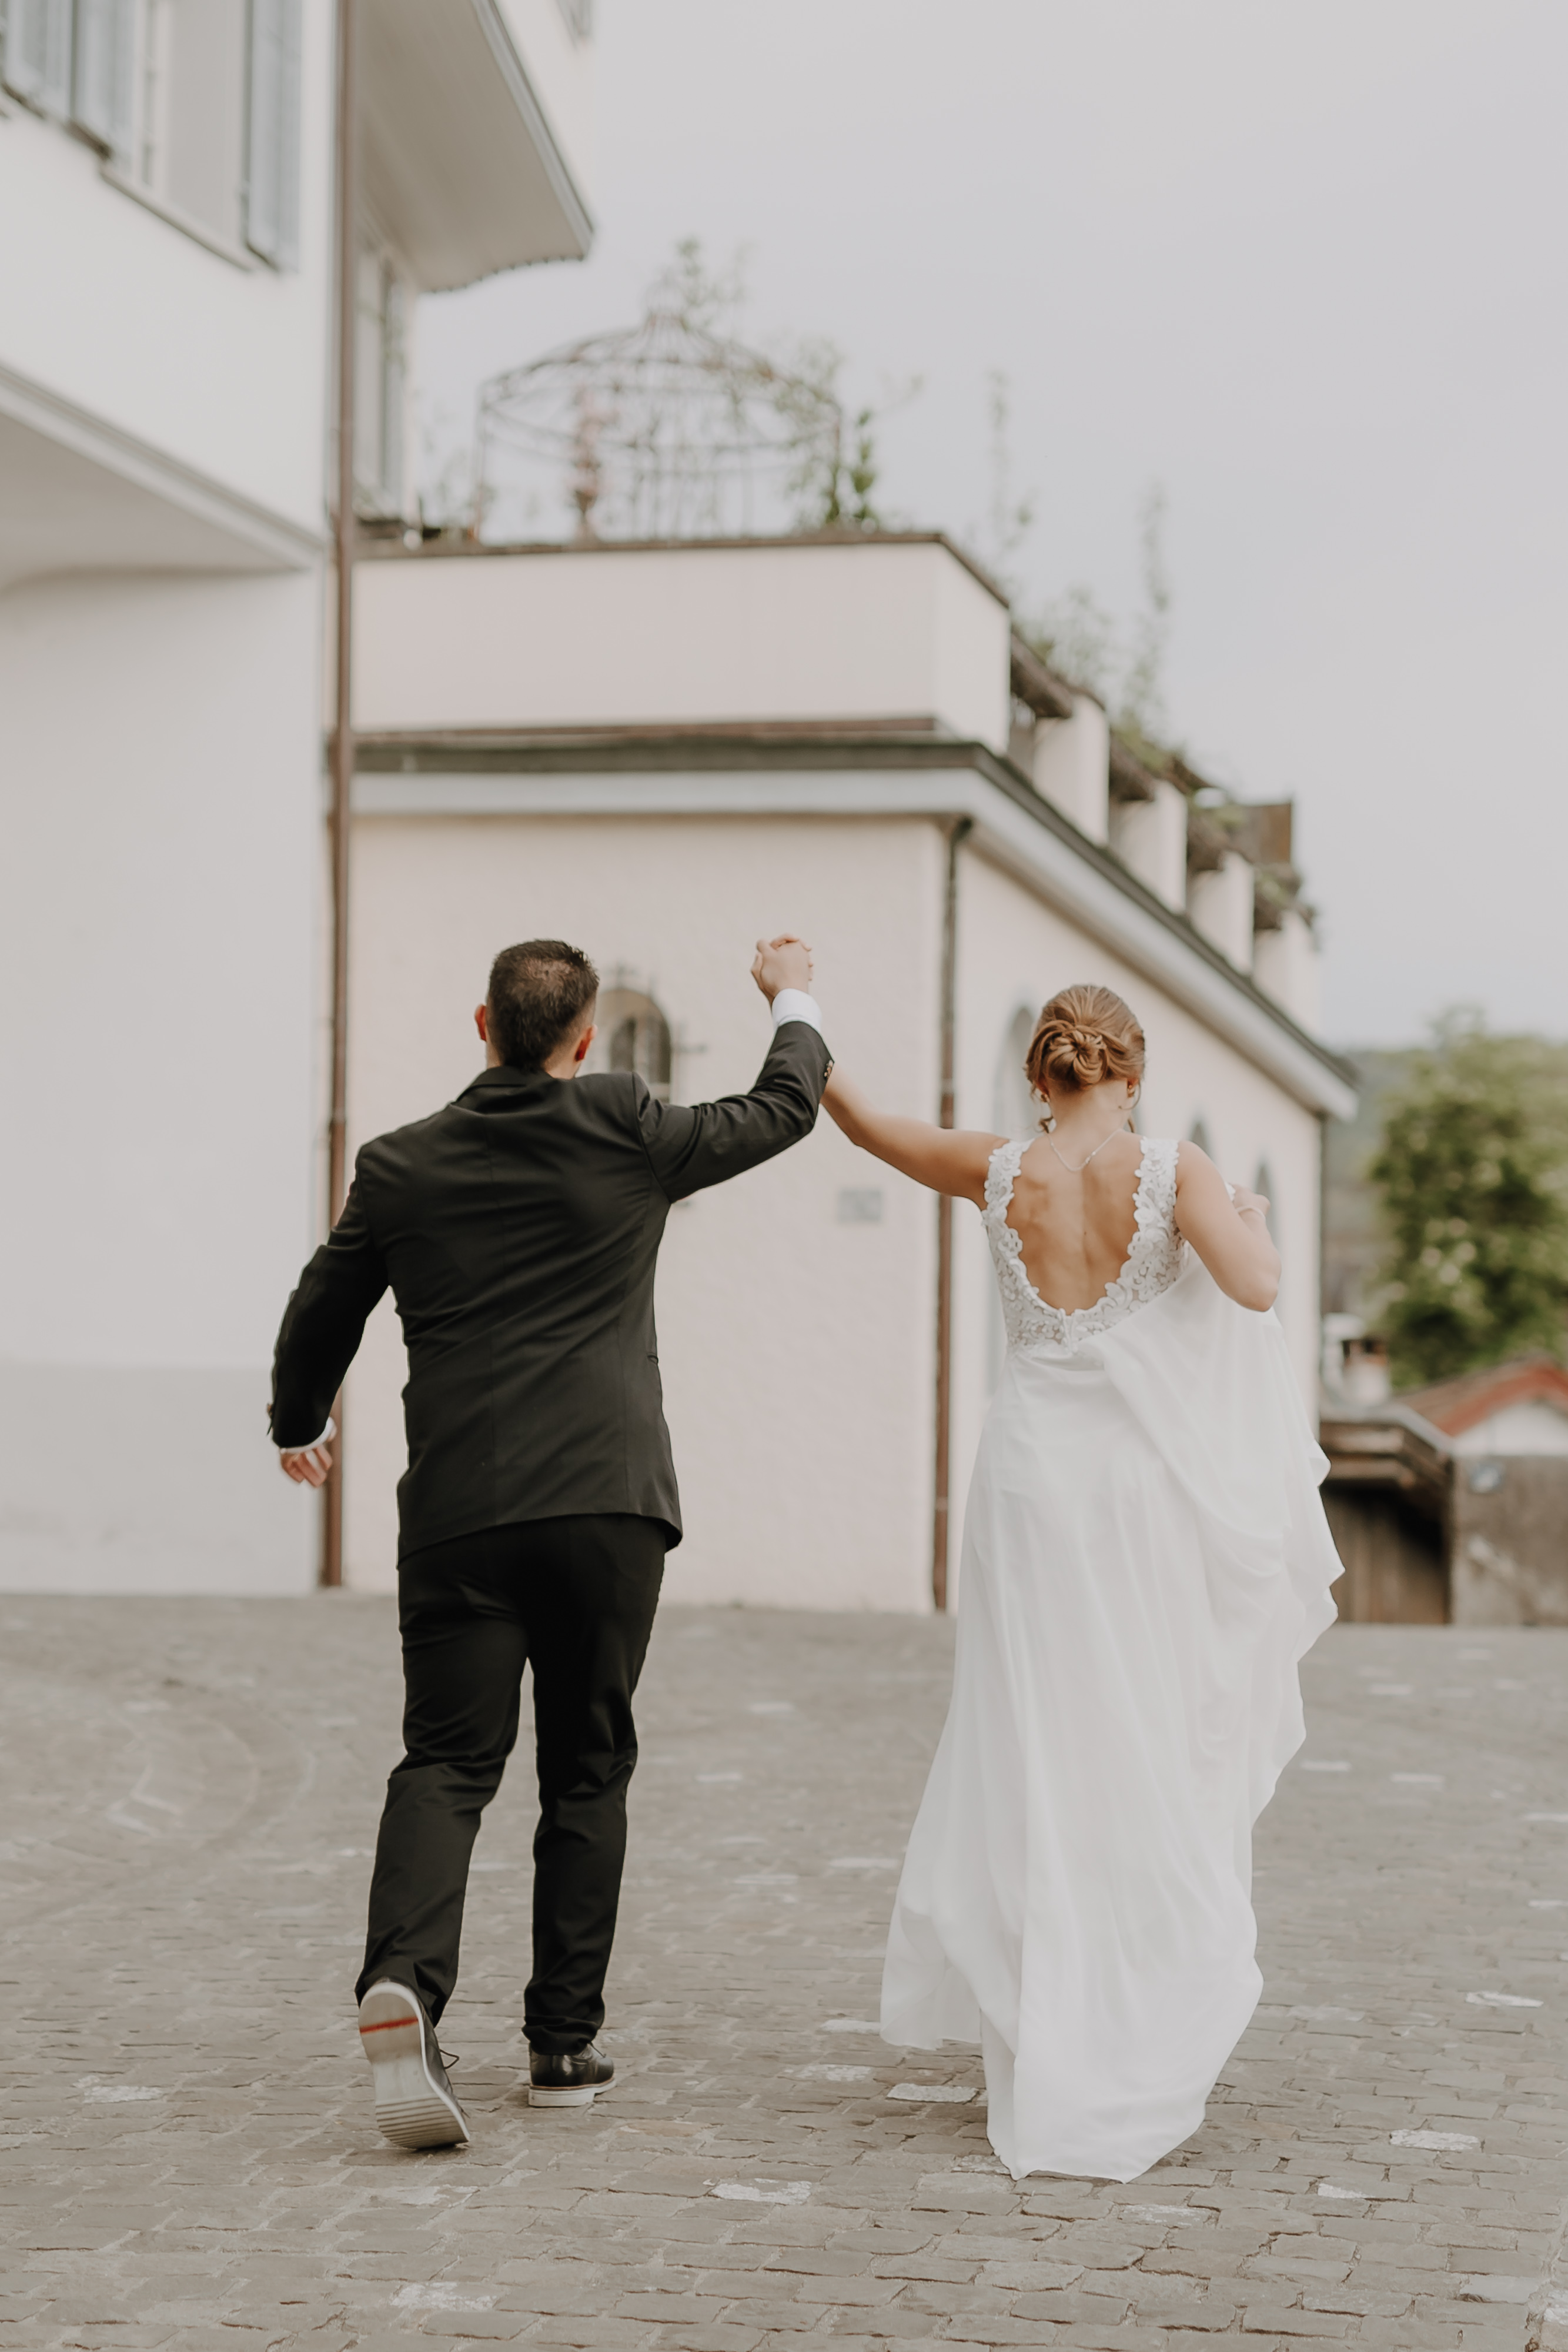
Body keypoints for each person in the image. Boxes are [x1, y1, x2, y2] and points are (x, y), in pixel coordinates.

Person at [269, 935, 830, 2149]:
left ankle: (406, 1985)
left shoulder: (400, 1162)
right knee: (587, 1763)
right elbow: (784, 1106)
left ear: (481, 1021)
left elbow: (325, 1302)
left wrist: (297, 1421)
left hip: (461, 1511)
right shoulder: (624, 1122)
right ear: (582, 1041)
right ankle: (563, 2045)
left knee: (446, 1762)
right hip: (604, 1503)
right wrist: (789, 992)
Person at [821, 982, 1340, 2183]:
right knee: (1140, 1737)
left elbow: (855, 1118)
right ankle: (1128, 2008)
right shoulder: (1173, 1165)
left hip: (1026, 1489)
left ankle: (1042, 2007)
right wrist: (1242, 1212)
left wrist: (792, 996)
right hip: (1135, 1497)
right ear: (1131, 1071)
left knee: (1035, 1745)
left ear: (1039, 1073)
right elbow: (1255, 1286)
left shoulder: (995, 1168)